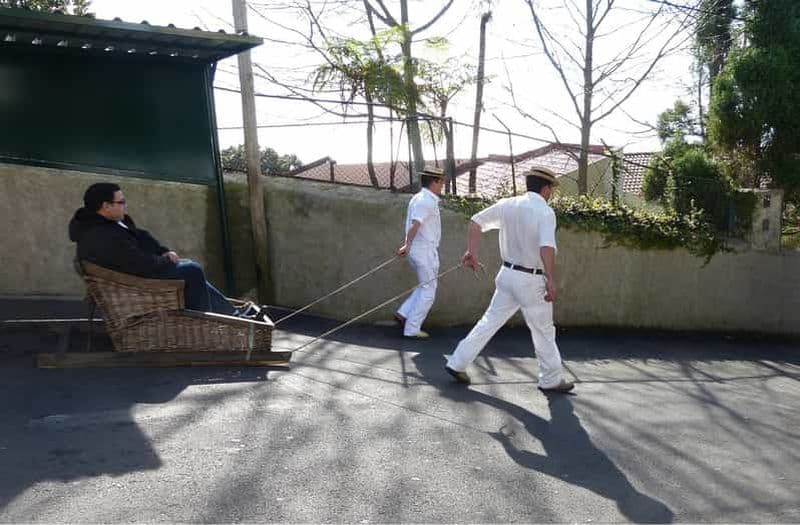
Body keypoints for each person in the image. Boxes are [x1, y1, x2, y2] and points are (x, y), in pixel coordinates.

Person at [444, 167, 574, 393]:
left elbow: (476, 222)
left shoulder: (508, 204)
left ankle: (457, 362)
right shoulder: (544, 212)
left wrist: (471, 252)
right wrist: (550, 279)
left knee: (489, 321)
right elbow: (546, 247)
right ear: (545, 188)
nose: (550, 193)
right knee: (543, 330)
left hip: (507, 275)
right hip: (531, 280)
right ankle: (551, 379)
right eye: (551, 189)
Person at [69, 182, 244, 316]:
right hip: (134, 282)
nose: (125, 205)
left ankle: (231, 314)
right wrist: (166, 260)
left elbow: (142, 237)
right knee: (191, 270)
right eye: (121, 202)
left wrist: (163, 251)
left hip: (139, 271)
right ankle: (210, 321)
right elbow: (136, 262)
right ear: (106, 207)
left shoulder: (113, 222)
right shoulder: (100, 234)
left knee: (189, 268)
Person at [394, 167, 446, 339]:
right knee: (429, 291)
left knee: (425, 286)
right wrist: (406, 245)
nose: (443, 185)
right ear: (435, 181)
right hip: (423, 251)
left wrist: (408, 246)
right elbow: (415, 224)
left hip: (421, 250)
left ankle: (404, 313)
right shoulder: (426, 200)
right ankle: (412, 328)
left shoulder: (420, 197)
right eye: (441, 181)